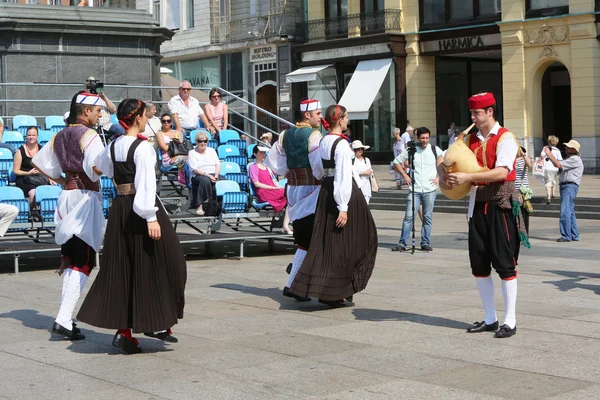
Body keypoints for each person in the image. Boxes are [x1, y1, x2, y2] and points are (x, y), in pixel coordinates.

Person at [77, 99, 187, 354]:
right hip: (141, 209)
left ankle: (130, 331)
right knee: (172, 262)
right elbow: (146, 183)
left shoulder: (114, 145)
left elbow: (95, 167)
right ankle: (153, 322)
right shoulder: (142, 147)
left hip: (121, 209)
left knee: (128, 268)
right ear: (137, 118)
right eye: (145, 115)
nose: (148, 118)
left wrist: (117, 179)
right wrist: (151, 218)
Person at [440, 92, 525, 339]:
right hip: (477, 207)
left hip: (501, 206)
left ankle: (510, 320)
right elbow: (443, 159)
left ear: (490, 111)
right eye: (472, 113)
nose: (473, 118)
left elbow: (501, 172)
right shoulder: (469, 139)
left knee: (505, 264)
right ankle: (490, 318)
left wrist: (468, 177)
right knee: (479, 264)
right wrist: (444, 171)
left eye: (477, 113)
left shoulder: (505, 137)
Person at [32, 91, 106, 341]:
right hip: (85, 199)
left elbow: (39, 161)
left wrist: (64, 180)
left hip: (68, 197)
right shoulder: (89, 134)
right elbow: (96, 169)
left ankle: (65, 317)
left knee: (74, 259)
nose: (100, 115)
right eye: (97, 111)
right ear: (86, 111)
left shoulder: (60, 134)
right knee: (83, 262)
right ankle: (64, 319)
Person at [288, 104, 377, 307]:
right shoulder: (342, 145)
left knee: (332, 243)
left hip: (326, 191)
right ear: (339, 120)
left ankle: (336, 289)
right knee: (361, 240)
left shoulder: (323, 140)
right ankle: (339, 289)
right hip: (342, 194)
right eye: (345, 118)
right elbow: (344, 176)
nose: (347, 121)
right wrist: (343, 206)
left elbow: (319, 171)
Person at [266, 99, 323, 302]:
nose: (320, 116)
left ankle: (299, 278)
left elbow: (273, 162)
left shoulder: (284, 135)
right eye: (318, 113)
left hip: (292, 188)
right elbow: (318, 166)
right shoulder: (314, 135)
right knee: (308, 239)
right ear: (307, 115)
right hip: (312, 188)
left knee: (304, 236)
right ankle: (294, 282)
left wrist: (288, 171)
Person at [391, 127, 443, 252]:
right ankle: (403, 243)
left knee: (427, 217)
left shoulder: (434, 149)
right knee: (409, 216)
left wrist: (439, 177)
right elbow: (396, 161)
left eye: (426, 138)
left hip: (430, 188)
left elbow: (443, 163)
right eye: (422, 138)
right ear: (417, 138)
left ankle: (425, 242)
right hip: (415, 189)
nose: (424, 140)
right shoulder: (412, 150)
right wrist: (405, 176)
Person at [544, 140, 584, 243]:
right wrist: (551, 156)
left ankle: (566, 235)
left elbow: (558, 165)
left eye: (568, 147)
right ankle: (574, 235)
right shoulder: (570, 159)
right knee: (570, 212)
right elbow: (557, 163)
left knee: (565, 211)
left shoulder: (575, 159)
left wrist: (549, 153)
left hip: (569, 186)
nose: (565, 148)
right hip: (567, 186)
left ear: (573, 150)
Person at [249, 145, 292, 234]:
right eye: (261, 152)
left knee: (290, 195)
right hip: (264, 192)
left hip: (273, 190)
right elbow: (257, 184)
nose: (263, 154)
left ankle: (285, 224)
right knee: (289, 194)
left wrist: (277, 187)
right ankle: (285, 225)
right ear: (255, 154)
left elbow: (274, 179)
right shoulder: (253, 167)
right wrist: (274, 188)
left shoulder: (267, 167)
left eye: (264, 152)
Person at [13, 126, 52, 209]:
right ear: (26, 136)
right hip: (25, 179)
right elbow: (15, 171)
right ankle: (29, 212)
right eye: (29, 135)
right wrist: (28, 173)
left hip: (39, 178)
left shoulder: (42, 149)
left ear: (37, 136)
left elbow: (47, 166)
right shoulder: (20, 151)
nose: (31, 137)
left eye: (33, 135)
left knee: (53, 190)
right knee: (34, 194)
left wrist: (50, 178)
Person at [187, 131, 220, 216]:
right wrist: (208, 175)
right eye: (200, 141)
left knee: (224, 180)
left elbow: (217, 164)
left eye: (205, 141)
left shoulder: (212, 151)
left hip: (213, 173)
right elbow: (194, 169)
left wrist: (216, 175)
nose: (203, 143)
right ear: (196, 142)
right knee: (205, 180)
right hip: (198, 175)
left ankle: (218, 205)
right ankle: (199, 205)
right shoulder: (192, 153)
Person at [156, 113, 187, 185]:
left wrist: (170, 143)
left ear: (171, 122)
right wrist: (175, 142)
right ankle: (185, 179)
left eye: (168, 121)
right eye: (164, 121)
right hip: (167, 158)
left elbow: (181, 145)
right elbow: (164, 148)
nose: (166, 123)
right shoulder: (159, 134)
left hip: (179, 155)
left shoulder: (176, 132)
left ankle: (188, 179)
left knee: (191, 158)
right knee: (187, 159)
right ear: (161, 122)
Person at [515, 146, 532, 234]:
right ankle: (517, 232)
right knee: (515, 212)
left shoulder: (524, 159)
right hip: (513, 189)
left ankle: (524, 233)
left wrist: (524, 155)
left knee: (524, 212)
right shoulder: (511, 160)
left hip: (523, 190)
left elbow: (529, 165)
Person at [541, 135, 562, 205]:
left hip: (547, 167)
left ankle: (549, 198)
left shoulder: (545, 148)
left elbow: (541, 156)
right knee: (553, 180)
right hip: (555, 168)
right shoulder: (557, 150)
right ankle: (553, 193)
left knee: (548, 182)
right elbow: (560, 160)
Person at [352, 140, 373, 204]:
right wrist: (362, 173)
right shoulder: (352, 160)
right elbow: (352, 172)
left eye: (362, 149)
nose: (360, 151)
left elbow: (370, 171)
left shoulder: (366, 160)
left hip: (366, 185)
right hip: (356, 185)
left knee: (366, 204)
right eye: (358, 149)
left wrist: (359, 173)